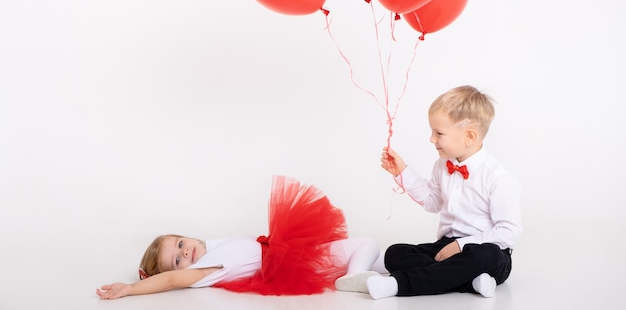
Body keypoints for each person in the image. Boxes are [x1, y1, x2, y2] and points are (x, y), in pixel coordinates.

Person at [96, 174, 385, 300]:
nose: (185, 253)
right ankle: (354, 277)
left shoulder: (211, 247)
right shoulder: (203, 272)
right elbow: (170, 280)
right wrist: (131, 289)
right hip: (295, 264)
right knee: (367, 245)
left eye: (181, 244)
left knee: (378, 259)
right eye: (177, 260)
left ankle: (369, 274)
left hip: (295, 253)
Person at [362, 85, 523, 300]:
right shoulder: (441, 165)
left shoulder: (498, 177)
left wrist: (461, 245)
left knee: (488, 256)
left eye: (438, 133)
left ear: (469, 136)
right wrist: (403, 172)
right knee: (395, 253)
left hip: (484, 249)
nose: (431, 139)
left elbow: (509, 232)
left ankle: (399, 284)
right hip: (445, 247)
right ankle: (471, 281)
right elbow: (432, 202)